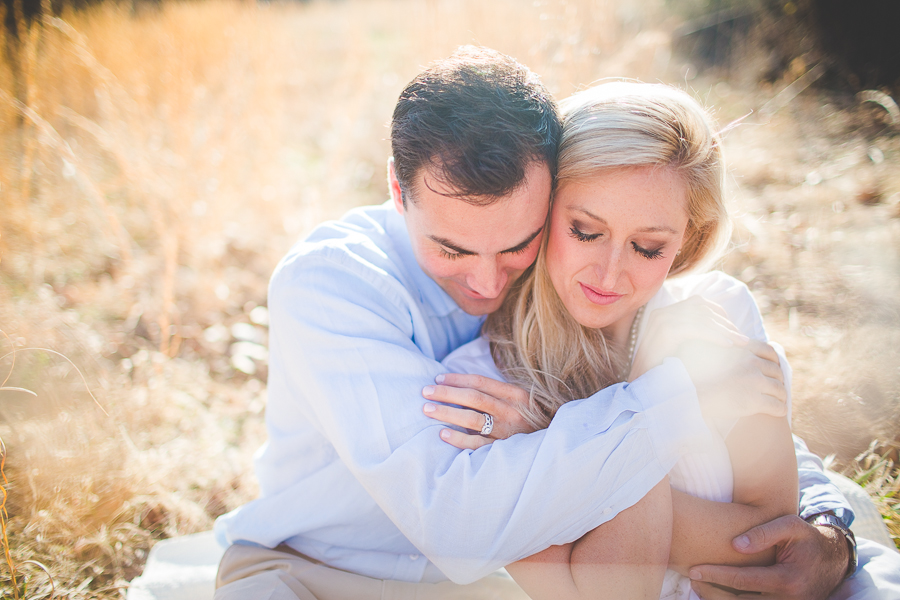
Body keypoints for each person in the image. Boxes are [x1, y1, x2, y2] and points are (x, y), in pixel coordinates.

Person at [212, 47, 895, 599]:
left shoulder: (615, 304)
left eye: (517, 245)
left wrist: (827, 524)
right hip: (326, 570)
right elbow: (458, 524)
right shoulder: (336, 285)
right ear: (396, 189)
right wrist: (669, 397)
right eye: (450, 249)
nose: (486, 283)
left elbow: (751, 418)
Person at [423, 81, 900, 599]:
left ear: (687, 240)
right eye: (585, 230)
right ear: (540, 209)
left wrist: (557, 462)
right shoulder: (482, 389)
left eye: (648, 247)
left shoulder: (717, 313)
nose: (610, 273)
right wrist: (653, 395)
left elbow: (771, 541)